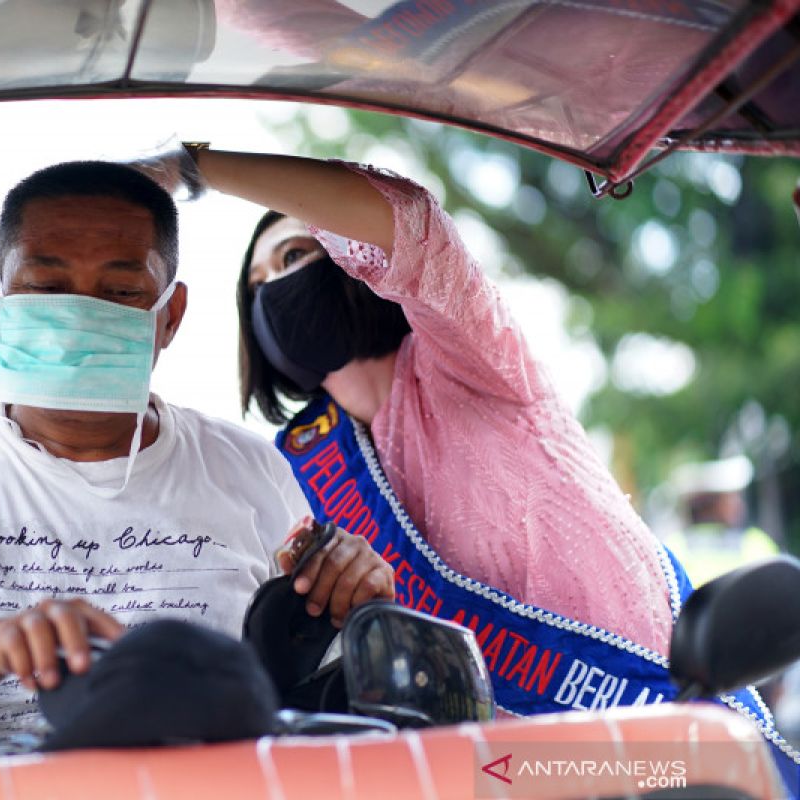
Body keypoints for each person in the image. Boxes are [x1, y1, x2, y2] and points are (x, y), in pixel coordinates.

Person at [154, 148, 798, 776]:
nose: (274, 291)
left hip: (666, 748)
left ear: (352, 261)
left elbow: (408, 222)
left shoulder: (474, 358)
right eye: (257, 286)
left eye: (295, 256)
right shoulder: (299, 469)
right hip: (497, 775)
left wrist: (194, 165)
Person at [0, 160, 394, 749]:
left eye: (120, 292)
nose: (79, 316)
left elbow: (309, 688)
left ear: (169, 316)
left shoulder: (250, 470)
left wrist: (358, 605)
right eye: (45, 287)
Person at [664, 455, 779, 588]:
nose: (739, 504)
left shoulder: (675, 545)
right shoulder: (755, 543)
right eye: (731, 498)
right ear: (711, 504)